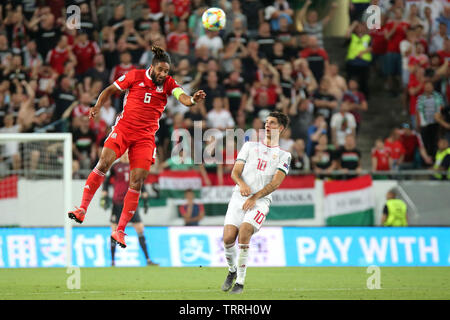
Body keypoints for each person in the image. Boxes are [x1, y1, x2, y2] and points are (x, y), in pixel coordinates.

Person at [68, 46, 206, 248]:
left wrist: (193, 99)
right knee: (104, 162)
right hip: (123, 129)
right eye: (160, 69)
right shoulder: (134, 76)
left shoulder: (168, 83)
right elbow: (110, 90)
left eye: (166, 71)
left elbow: (182, 97)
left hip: (145, 138)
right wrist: (98, 105)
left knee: (137, 181)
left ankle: (120, 231)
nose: (163, 74)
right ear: (152, 67)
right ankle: (82, 209)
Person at [221, 112, 291, 294]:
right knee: (228, 238)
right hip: (238, 196)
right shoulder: (249, 146)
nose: (267, 125)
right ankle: (232, 271)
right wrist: (242, 184)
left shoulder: (284, 155)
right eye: (266, 122)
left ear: (281, 128)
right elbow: (235, 173)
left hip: (260, 201)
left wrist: (254, 197)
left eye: (273, 123)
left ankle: (240, 283)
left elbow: (275, 183)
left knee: (244, 232)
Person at [101, 152, 158, 266]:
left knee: (140, 229)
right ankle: (112, 261)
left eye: (128, 153)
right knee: (114, 231)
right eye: (124, 153)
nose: (126, 155)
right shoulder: (115, 166)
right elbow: (106, 182)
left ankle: (148, 260)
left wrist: (145, 195)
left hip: (131, 203)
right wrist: (105, 195)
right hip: (118, 202)